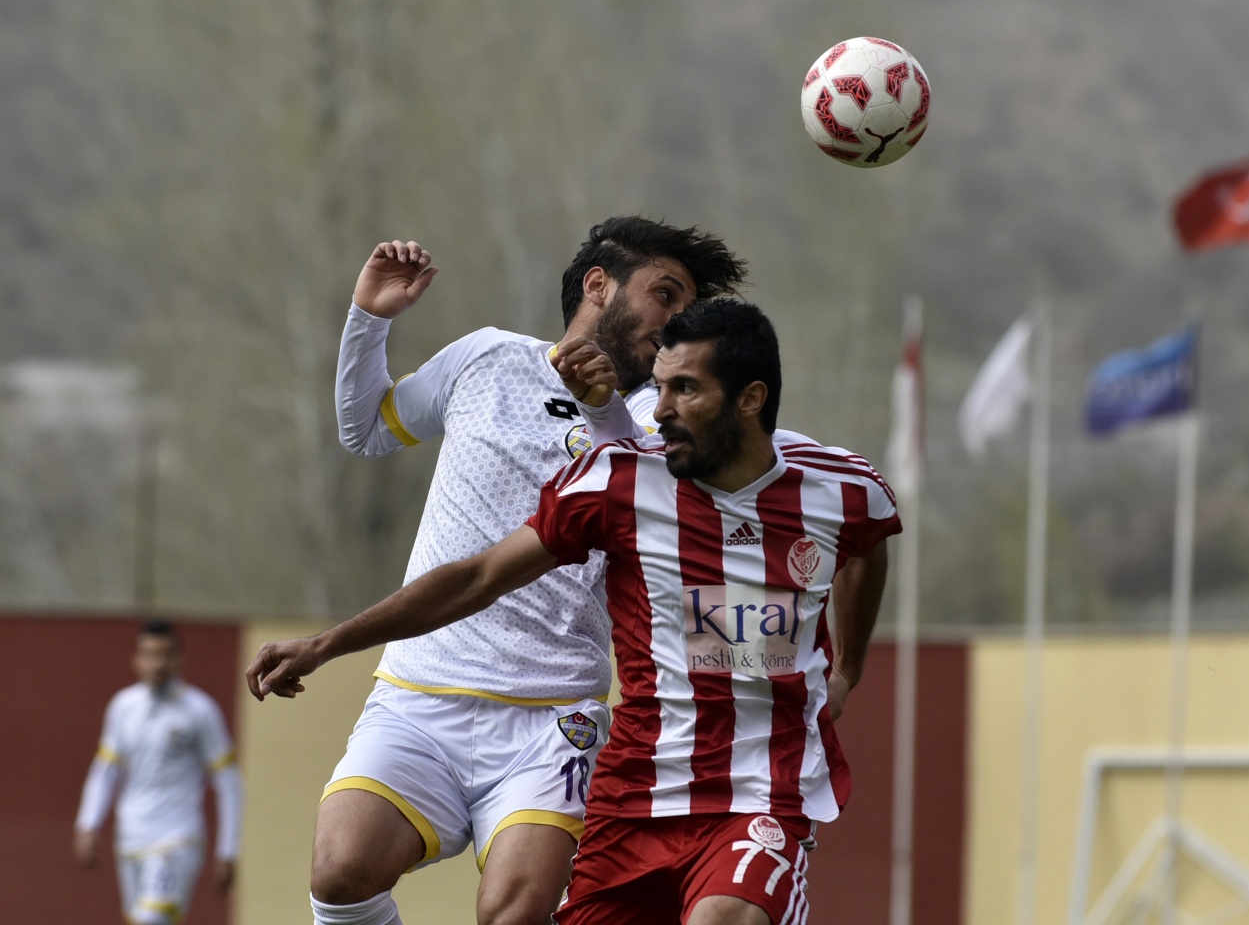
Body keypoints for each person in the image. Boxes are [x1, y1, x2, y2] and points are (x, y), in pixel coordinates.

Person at [248, 299, 898, 925]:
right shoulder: (619, 482)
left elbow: (867, 551)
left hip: (762, 788)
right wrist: (328, 644)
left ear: (750, 399)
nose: (661, 410)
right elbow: (476, 579)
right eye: (661, 387)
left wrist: (849, 670)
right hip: (636, 796)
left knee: (723, 917)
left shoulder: (840, 487)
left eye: (686, 391)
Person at [312, 218, 747, 925]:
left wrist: (605, 409)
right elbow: (366, 430)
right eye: (664, 294)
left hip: (553, 718)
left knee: (514, 914)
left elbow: (645, 498)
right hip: (420, 695)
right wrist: (368, 318)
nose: (676, 320)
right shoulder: (486, 358)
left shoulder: (666, 417)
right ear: (599, 286)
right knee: (340, 873)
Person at [75, 619, 244, 925]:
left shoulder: (199, 711)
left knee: (152, 920)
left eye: (166, 654)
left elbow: (229, 782)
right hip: (130, 837)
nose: (158, 663)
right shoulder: (123, 707)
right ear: (135, 659)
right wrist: (88, 823)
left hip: (177, 839)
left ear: (181, 658)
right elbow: (106, 769)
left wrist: (228, 850)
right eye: (150, 654)